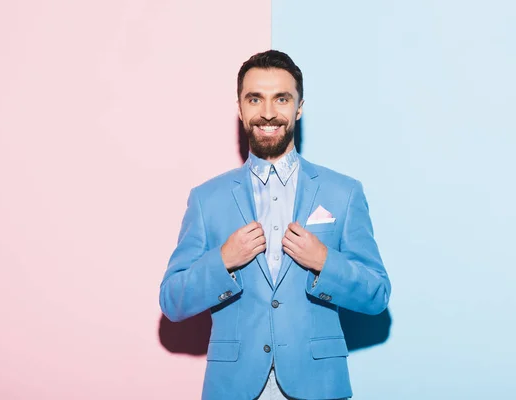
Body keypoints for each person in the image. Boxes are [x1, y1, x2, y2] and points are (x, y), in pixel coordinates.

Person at [159, 50, 391, 400]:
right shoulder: (207, 199)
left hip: (319, 386)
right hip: (233, 388)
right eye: (255, 99)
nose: (268, 113)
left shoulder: (343, 193)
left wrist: (324, 262)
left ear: (298, 107)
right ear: (240, 108)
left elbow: (377, 294)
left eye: (281, 98)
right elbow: (172, 301)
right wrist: (222, 260)